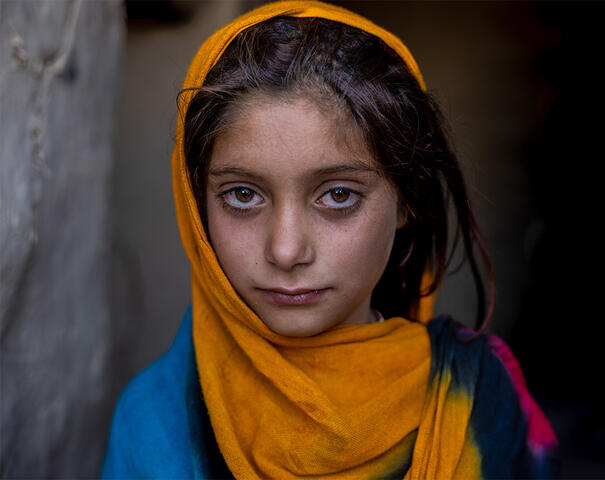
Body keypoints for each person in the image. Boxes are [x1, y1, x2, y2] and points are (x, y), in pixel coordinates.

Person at [101, 1, 561, 478]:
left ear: (408, 199)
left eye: (338, 195)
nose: (285, 250)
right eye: (242, 195)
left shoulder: (481, 399)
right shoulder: (153, 421)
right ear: (198, 208)